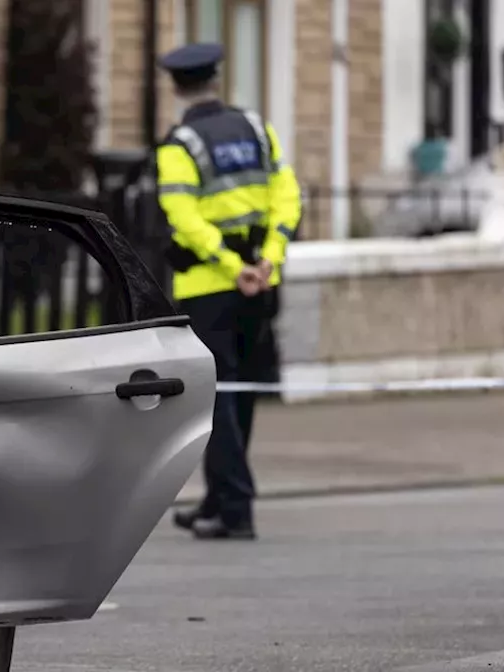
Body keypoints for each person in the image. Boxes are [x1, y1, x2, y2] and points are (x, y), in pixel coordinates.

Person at [155, 43, 302, 540]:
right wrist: (269, 259)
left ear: (176, 87)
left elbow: (183, 217)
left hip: (209, 287)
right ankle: (219, 497)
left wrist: (228, 264)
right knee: (243, 392)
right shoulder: (258, 130)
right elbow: (288, 197)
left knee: (217, 396)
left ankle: (235, 507)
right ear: (217, 78)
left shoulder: (181, 145)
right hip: (261, 284)